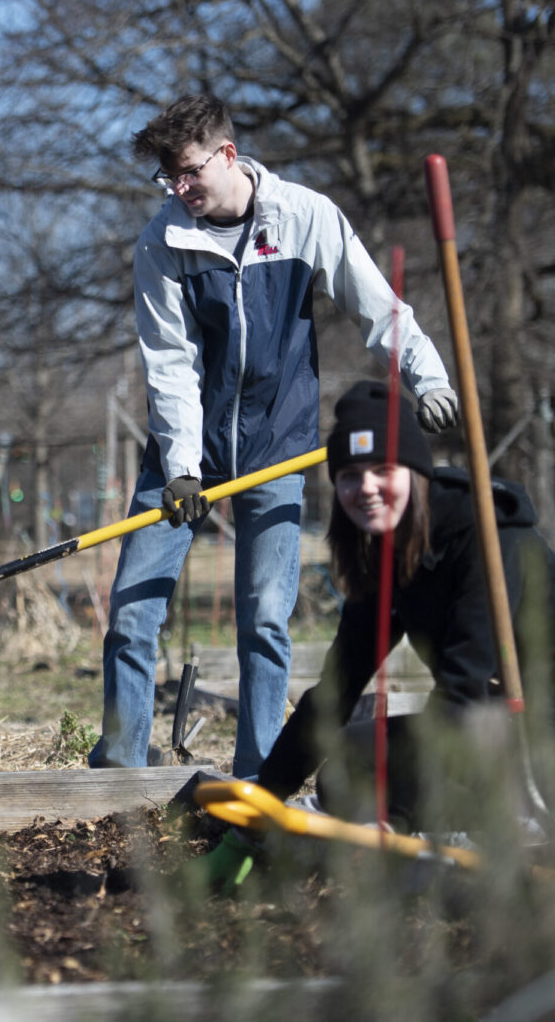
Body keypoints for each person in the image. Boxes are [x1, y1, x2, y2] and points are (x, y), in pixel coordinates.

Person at [88, 94, 458, 780]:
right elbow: (171, 365)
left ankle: (262, 773)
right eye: (169, 179)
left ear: (227, 155)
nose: (180, 189)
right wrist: (180, 467)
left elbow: (380, 308)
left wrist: (428, 379)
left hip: (277, 447)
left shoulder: (302, 218)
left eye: (190, 173)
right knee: (134, 612)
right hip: (181, 457)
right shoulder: (162, 243)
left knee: (264, 620)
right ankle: (120, 772)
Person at [195, 380, 555, 891]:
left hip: (535, 735)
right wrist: (252, 823)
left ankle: (503, 837)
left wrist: (397, 815)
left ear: (417, 473)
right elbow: (336, 693)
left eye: (384, 470)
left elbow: (461, 693)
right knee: (350, 762)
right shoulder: (386, 554)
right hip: (486, 730)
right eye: (349, 475)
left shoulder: (488, 545)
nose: (365, 488)